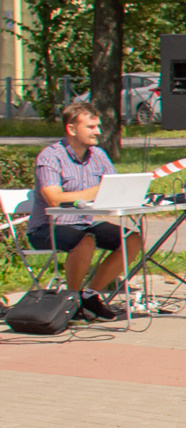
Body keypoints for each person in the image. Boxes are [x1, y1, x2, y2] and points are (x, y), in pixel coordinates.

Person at [26, 100, 143, 323]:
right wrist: (96, 191)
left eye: (98, 126)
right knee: (85, 240)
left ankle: (89, 295)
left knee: (132, 239)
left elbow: (117, 187)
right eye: (91, 127)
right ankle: (72, 300)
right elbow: (54, 199)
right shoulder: (50, 157)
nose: (98, 132)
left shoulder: (98, 155)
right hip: (49, 227)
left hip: (84, 223)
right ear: (71, 129)